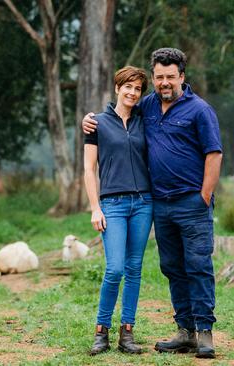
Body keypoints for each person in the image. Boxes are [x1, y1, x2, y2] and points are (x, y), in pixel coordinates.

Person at [83, 48, 223, 359]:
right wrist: (88, 120)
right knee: (172, 267)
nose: (164, 82)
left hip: (191, 203)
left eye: (170, 77)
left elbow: (214, 154)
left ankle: (204, 332)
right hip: (160, 204)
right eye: (159, 77)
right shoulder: (147, 106)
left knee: (198, 266)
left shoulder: (200, 110)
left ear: (182, 77)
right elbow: (118, 113)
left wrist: (204, 195)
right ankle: (184, 331)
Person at [84, 66, 153, 356]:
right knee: (114, 268)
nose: (132, 93)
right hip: (112, 204)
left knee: (134, 269)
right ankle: (101, 331)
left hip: (143, 204)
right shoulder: (97, 123)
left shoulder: (144, 120)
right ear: (117, 87)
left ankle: (128, 332)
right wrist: (94, 208)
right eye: (128, 87)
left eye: (137, 89)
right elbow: (88, 170)